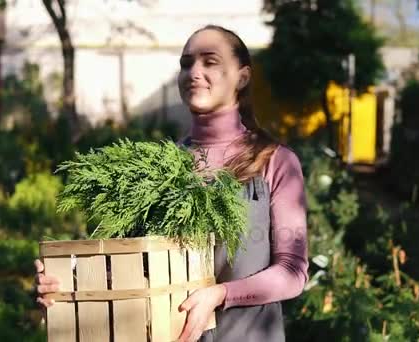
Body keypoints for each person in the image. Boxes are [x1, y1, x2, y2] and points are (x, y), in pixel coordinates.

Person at [34, 24, 308, 342]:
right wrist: (67, 286)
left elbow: (292, 272)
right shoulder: (160, 169)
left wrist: (220, 294)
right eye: (186, 63)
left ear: (242, 77)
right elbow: (133, 267)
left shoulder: (274, 161)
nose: (193, 72)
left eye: (210, 61)